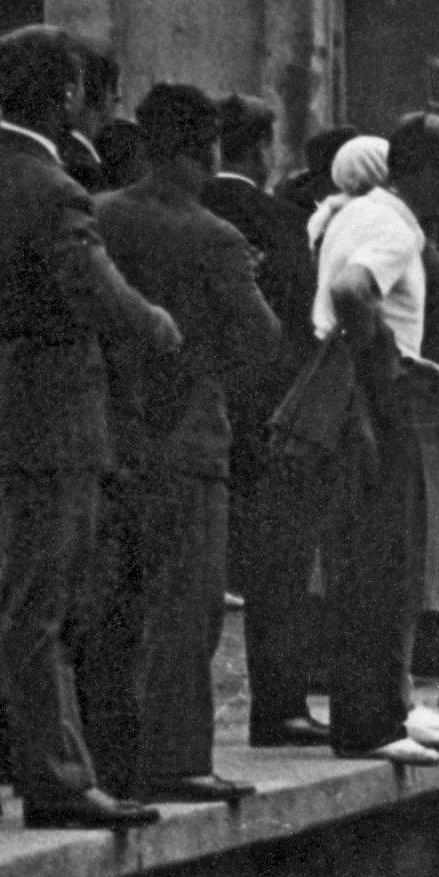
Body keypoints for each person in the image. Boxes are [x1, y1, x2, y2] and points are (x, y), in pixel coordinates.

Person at [0, 27, 183, 829]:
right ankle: (57, 779)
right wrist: (158, 324)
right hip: (50, 416)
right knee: (40, 604)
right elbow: (98, 295)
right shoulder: (54, 187)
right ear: (69, 89)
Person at [86, 83, 286, 803]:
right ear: (205, 149)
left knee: (112, 605)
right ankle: (177, 759)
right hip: (192, 439)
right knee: (188, 605)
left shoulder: (100, 215)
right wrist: (209, 377)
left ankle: (111, 761)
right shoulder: (217, 236)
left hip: (109, 432)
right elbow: (263, 340)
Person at [312, 110, 439, 762]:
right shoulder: (398, 228)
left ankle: (393, 706)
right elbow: (352, 290)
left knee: (376, 559)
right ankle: (370, 723)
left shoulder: (357, 209)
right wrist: (388, 364)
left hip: (355, 387)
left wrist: (400, 355)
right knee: (384, 562)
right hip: (374, 402)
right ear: (434, 171)